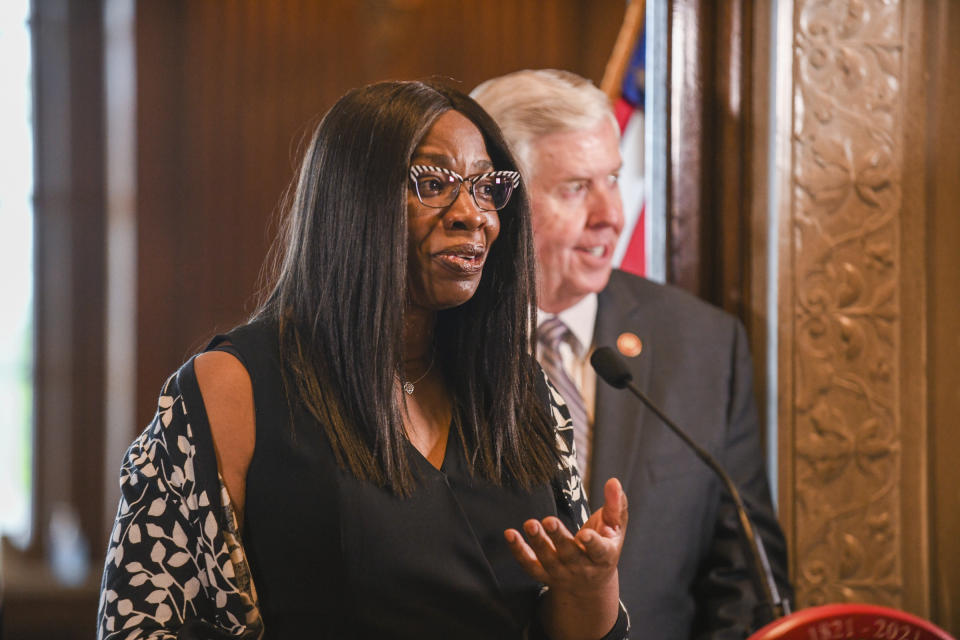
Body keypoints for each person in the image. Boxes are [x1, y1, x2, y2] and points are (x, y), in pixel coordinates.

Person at [96, 80, 632, 640]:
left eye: (487, 188)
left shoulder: (525, 392)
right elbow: (140, 624)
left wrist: (590, 586)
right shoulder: (234, 388)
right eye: (434, 184)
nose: (474, 215)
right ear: (351, 201)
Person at [472, 69, 793, 639]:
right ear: (498, 199)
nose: (611, 216)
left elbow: (743, 582)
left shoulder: (702, 345)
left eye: (614, 180)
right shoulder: (428, 346)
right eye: (576, 187)